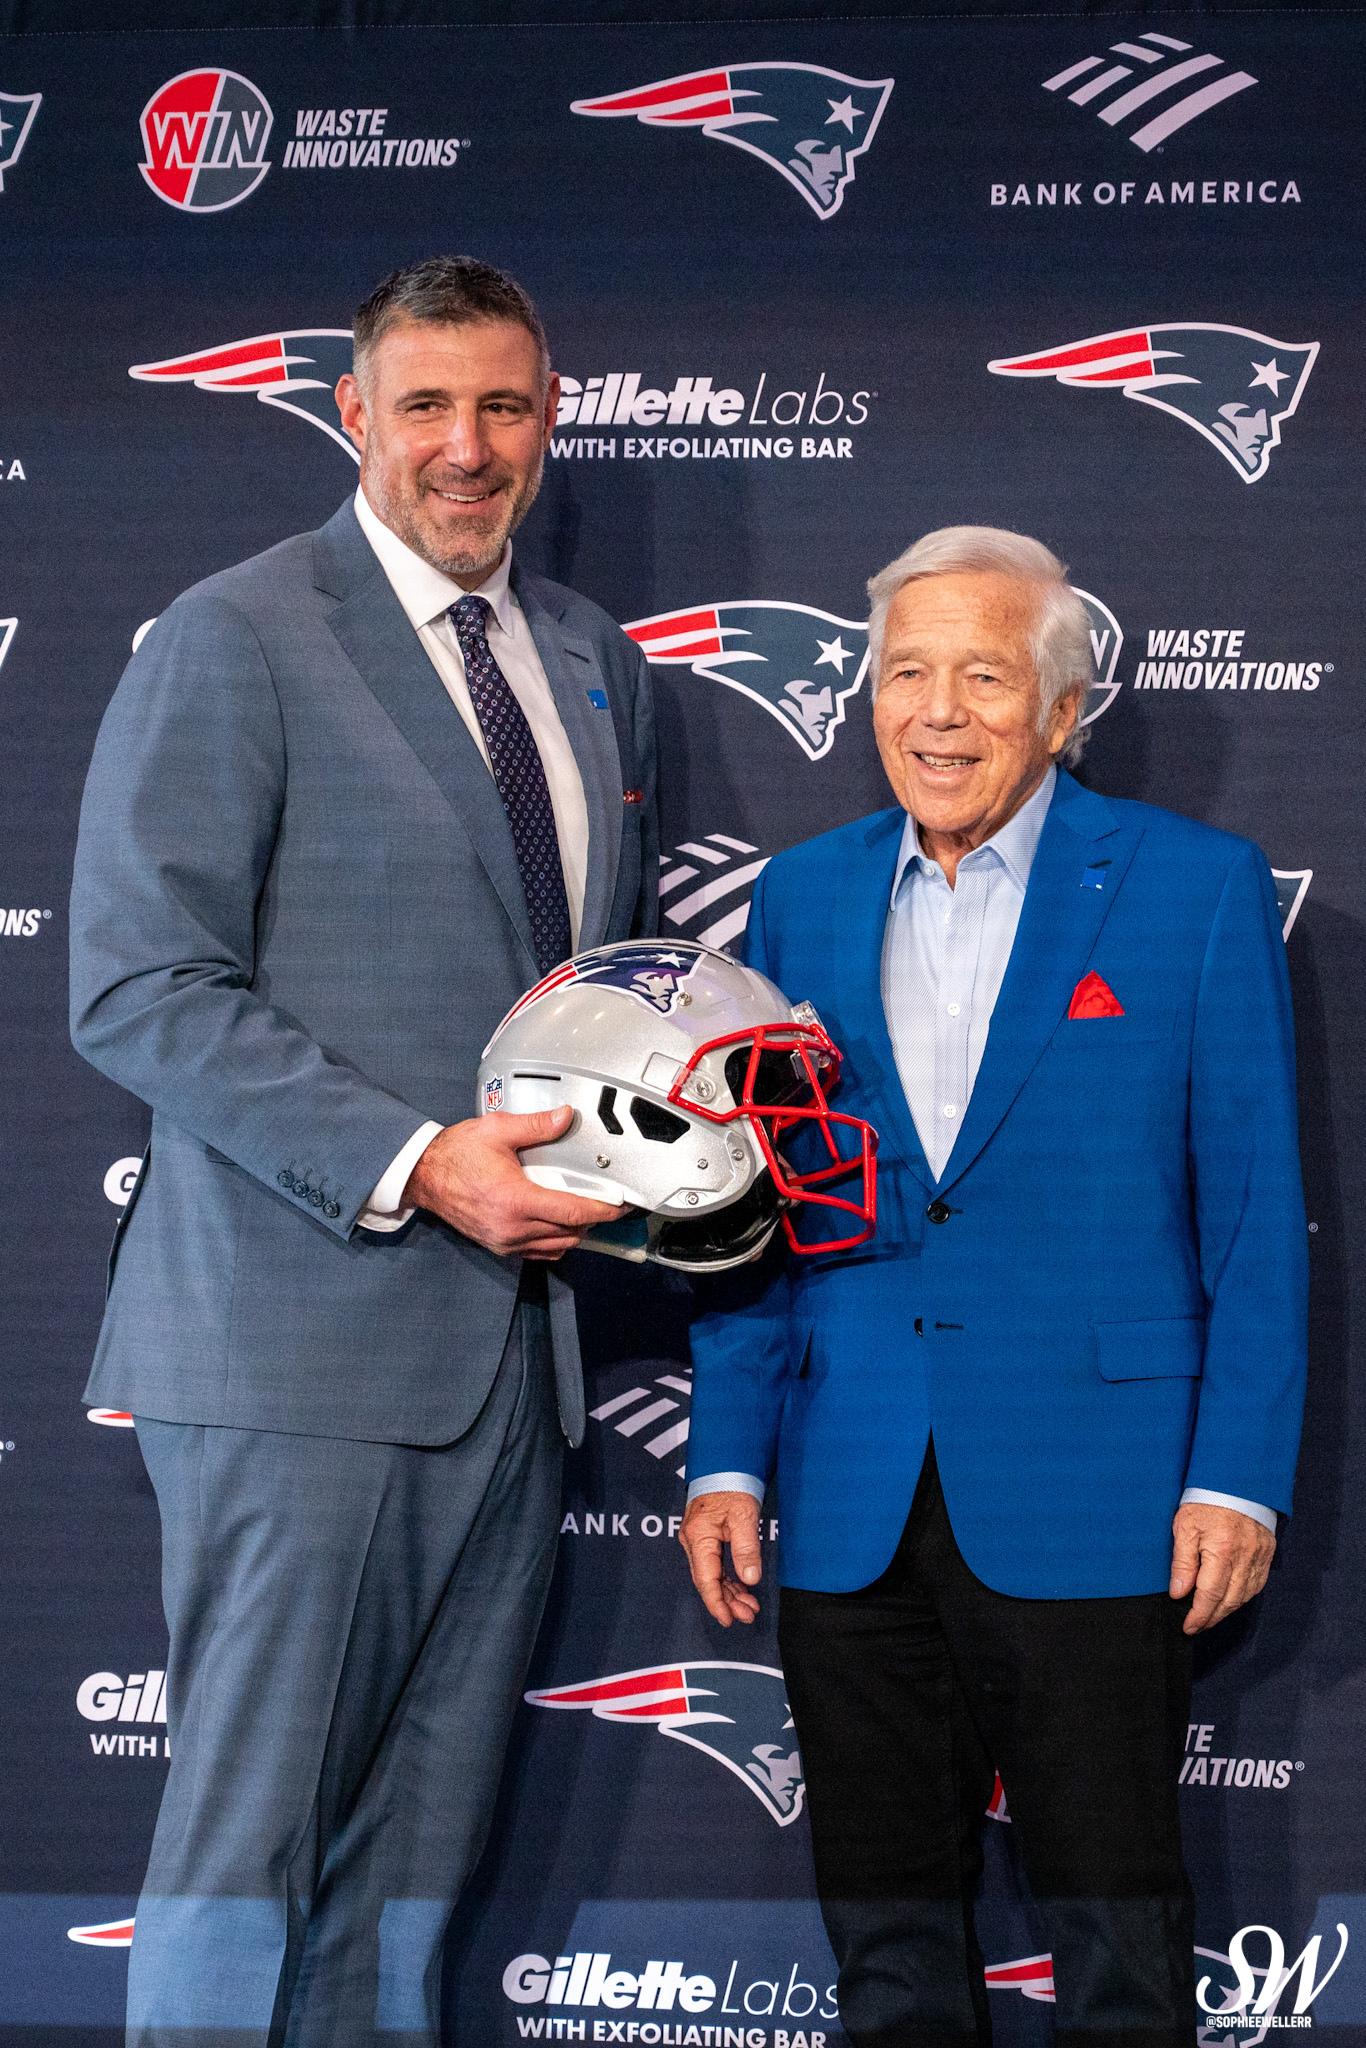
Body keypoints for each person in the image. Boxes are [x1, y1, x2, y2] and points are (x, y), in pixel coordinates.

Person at [69, 255, 656, 2048]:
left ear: (549, 423)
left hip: (510, 1364)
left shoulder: (584, 659)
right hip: (296, 1351)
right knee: (247, 1863)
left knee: (410, 1881)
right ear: (351, 417)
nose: (465, 448)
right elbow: (138, 986)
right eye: (426, 405)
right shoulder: (235, 634)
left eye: (503, 406)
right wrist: (419, 1159)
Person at [680, 527, 1306, 2048]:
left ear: (1060, 708)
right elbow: (758, 1206)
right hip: (846, 1490)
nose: (937, 712)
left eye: (980, 674)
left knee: (1117, 1948)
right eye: (905, 673)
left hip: (1096, 1487)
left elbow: (1253, 1209)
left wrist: (1234, 1477)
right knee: (885, 1941)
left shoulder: (1193, 888)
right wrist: (724, 1450)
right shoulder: (801, 899)